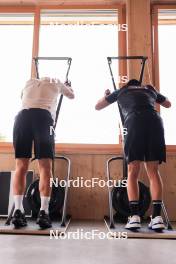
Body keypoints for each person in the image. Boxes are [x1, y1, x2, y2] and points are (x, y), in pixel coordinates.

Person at [95, 79, 171, 231]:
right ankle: (156, 218)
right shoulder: (149, 90)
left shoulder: (122, 91)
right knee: (153, 172)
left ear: (127, 85)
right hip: (155, 121)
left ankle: (135, 217)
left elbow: (98, 106)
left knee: (132, 172)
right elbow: (168, 104)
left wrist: (106, 95)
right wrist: (154, 90)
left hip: (134, 122)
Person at [12, 77, 74, 229]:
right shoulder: (57, 82)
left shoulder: (29, 82)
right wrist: (68, 87)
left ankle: (18, 212)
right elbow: (71, 95)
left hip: (21, 118)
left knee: (20, 167)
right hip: (43, 118)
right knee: (45, 168)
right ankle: (44, 213)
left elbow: (23, 97)